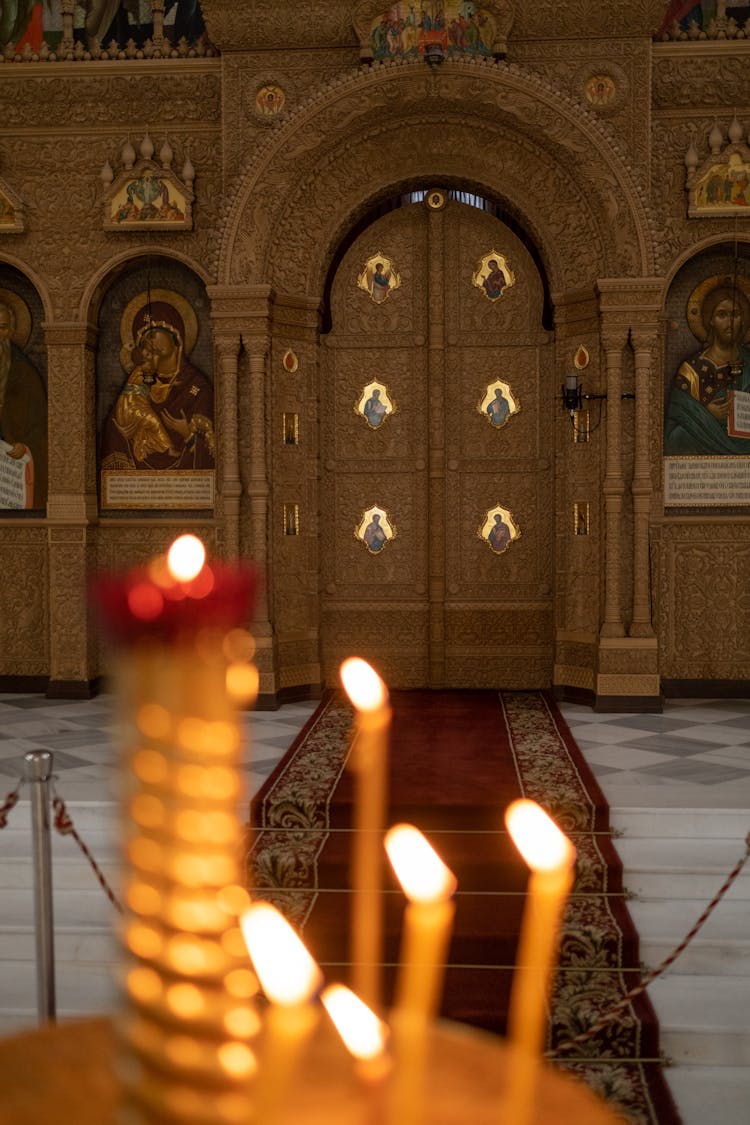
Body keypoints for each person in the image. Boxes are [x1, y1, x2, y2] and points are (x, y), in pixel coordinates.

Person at [101, 299, 215, 471]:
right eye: (146, 335)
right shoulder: (140, 378)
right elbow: (115, 431)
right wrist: (125, 431)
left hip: (189, 485)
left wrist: (188, 434)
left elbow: (213, 450)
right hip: (135, 486)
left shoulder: (197, 386)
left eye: (158, 329)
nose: (151, 338)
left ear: (177, 338)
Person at [664, 283, 750, 455]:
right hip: (702, 453)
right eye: (722, 315)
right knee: (680, 436)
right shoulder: (692, 369)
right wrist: (706, 412)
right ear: (710, 320)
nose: (730, 322)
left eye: (735, 315)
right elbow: (676, 413)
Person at [0, 297, 47, 509]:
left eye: (1, 328)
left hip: (10, 465)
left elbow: (41, 423)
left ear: (10, 331)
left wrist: (25, 445)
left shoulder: (24, 372)